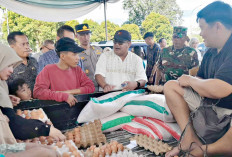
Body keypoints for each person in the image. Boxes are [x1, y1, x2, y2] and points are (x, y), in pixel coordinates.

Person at [165, 1, 232, 156]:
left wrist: (191, 80)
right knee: (171, 86)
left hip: (229, 112)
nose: (200, 33)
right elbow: (201, 82)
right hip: (211, 109)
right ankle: (189, 140)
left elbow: (222, 88)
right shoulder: (210, 52)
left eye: (202, 27)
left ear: (217, 26)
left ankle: (205, 150)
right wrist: (192, 82)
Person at [0, 43, 65, 141]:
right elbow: (15, 126)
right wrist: (46, 129)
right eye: (8, 65)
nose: (11, 70)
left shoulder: (2, 84)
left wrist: (6, 98)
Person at [34, 38, 95, 106]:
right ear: (62, 56)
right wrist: (63, 96)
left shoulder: (77, 70)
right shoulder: (48, 70)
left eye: (77, 54)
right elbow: (38, 92)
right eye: (74, 54)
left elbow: (91, 87)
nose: (78, 58)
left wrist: (67, 93)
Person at [75, 24, 103, 92]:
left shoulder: (98, 50)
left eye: (87, 34)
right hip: (88, 90)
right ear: (76, 36)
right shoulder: (76, 54)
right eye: (82, 35)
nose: (86, 37)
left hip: (103, 87)